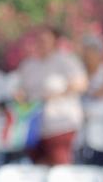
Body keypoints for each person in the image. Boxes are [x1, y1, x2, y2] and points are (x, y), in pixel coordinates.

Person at [9, 26, 88, 165]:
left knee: (60, 166)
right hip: (35, 127)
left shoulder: (67, 61)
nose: (41, 43)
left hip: (61, 124)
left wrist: (58, 94)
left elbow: (81, 84)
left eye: (45, 40)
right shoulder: (28, 65)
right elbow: (20, 90)